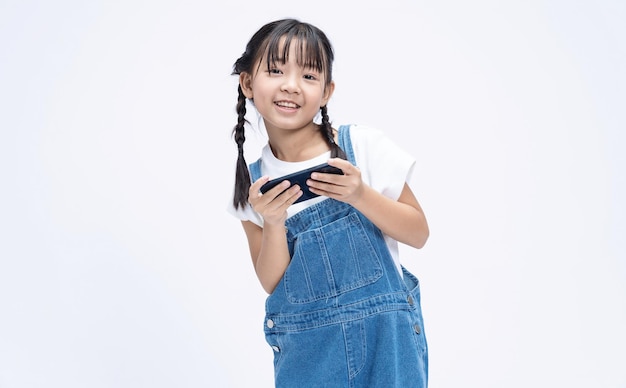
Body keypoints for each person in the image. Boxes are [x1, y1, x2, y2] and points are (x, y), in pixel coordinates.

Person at [227, 18, 429, 388]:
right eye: (275, 70)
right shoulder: (251, 183)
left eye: (308, 75)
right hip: (309, 354)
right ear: (248, 83)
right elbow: (272, 281)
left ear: (326, 91)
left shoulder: (362, 147)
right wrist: (272, 223)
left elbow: (418, 233)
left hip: (386, 345)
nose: (291, 85)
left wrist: (360, 195)